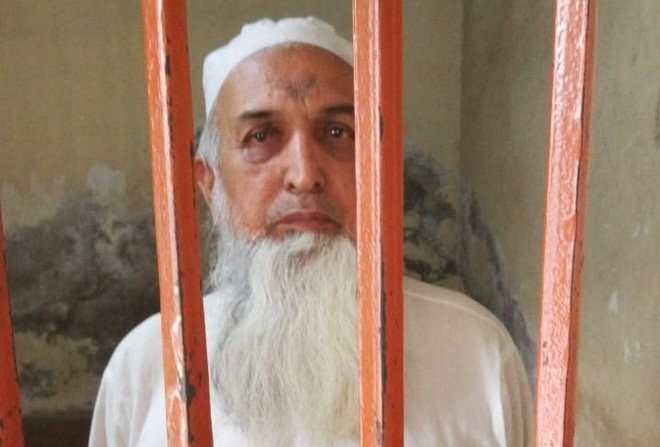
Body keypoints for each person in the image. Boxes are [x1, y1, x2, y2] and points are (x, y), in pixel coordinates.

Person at [89, 17, 532, 446]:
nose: (304, 175)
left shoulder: (477, 353)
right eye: (260, 137)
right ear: (211, 186)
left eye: (338, 132)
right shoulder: (147, 364)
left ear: (378, 168)